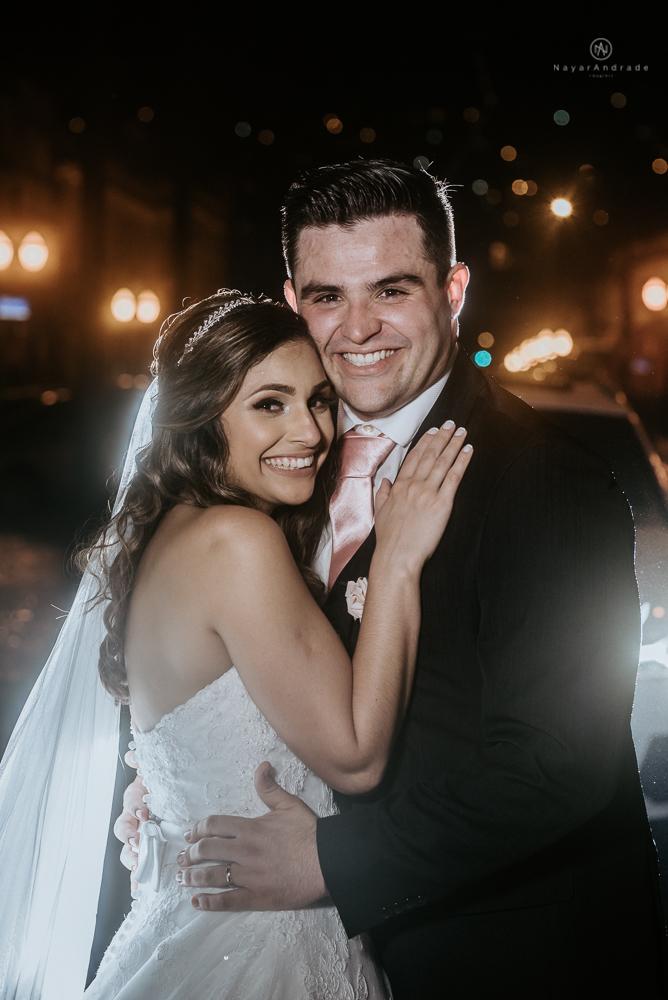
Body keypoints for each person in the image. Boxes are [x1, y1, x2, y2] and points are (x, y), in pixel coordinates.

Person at [116, 160, 668, 999]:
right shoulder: (283, 468)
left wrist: (333, 861)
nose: (359, 327)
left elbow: (560, 762)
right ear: (295, 300)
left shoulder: (545, 480)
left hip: (506, 957)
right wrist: (181, 788)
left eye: (392, 290)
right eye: (329, 295)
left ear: (453, 290)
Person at [0, 288, 472, 998]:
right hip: (257, 946)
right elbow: (357, 758)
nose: (310, 431)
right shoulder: (236, 540)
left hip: (195, 927)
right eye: (268, 405)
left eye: (318, 400)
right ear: (200, 420)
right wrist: (400, 558)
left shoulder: (176, 532)